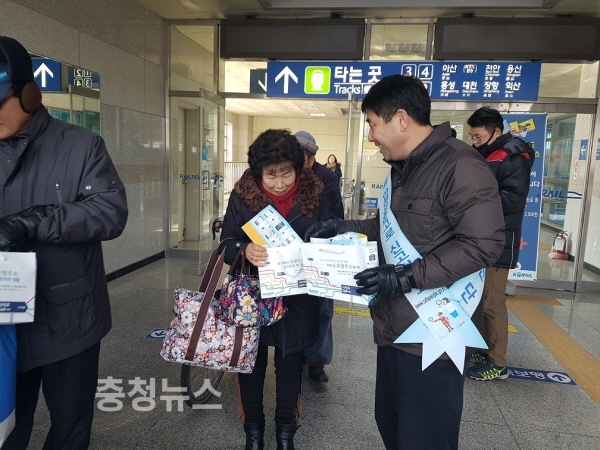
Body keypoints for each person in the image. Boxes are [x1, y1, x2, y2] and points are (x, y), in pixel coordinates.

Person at [304, 74, 504, 450]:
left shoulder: (461, 165)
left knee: (425, 437)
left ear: (400, 119)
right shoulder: (403, 170)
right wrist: (341, 228)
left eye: (371, 124)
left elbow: (483, 244)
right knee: (392, 424)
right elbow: (386, 228)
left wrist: (405, 276)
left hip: (436, 333)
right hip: (395, 325)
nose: (370, 136)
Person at [0, 36, 128, 449]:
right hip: (4, 323)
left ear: (30, 94)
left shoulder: (80, 145)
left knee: (70, 430)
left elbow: (110, 211)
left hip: (70, 318)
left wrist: (36, 220)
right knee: (6, 430)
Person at [220, 129, 333, 450]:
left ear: (298, 168)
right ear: (259, 172)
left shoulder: (315, 194)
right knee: (250, 366)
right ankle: (253, 434)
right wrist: (244, 249)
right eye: (271, 175)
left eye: (287, 173)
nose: (280, 183)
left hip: (298, 296)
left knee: (290, 366)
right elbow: (226, 242)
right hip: (252, 297)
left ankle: (286, 434)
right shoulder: (242, 195)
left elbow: (331, 235)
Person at [466, 106, 534, 381]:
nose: (475, 142)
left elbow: (513, 200)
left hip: (500, 237)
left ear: (496, 131)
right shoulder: (487, 152)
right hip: (481, 236)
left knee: (493, 302)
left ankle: (498, 362)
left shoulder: (513, 156)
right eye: (472, 137)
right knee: (481, 300)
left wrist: (473, 199)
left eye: (479, 137)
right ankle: (486, 350)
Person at [294, 130, 343, 384]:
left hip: (319, 251)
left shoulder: (327, 178)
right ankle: (292, 353)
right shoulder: (284, 174)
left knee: (321, 308)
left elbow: (336, 216)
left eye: (300, 160)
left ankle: (316, 361)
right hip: (289, 253)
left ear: (312, 159)